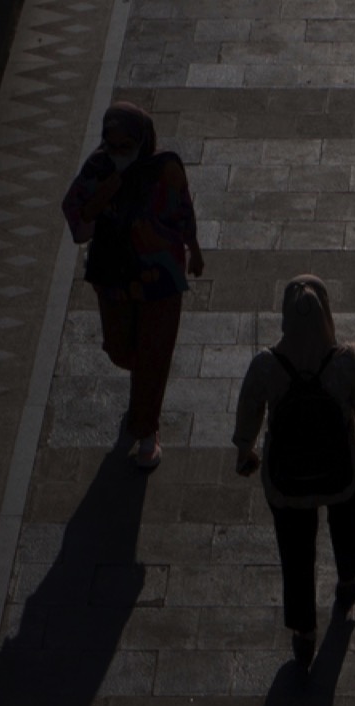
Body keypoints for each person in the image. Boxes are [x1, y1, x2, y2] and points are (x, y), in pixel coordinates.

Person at [233, 275, 355, 666]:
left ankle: (304, 631)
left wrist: (245, 451)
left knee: (295, 553)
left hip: (285, 482)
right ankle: (350, 575)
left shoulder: (266, 365)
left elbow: (248, 413)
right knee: (345, 525)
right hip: (339, 476)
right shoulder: (348, 360)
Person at [62, 101, 204, 469]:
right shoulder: (97, 170)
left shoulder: (164, 169)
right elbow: (77, 221)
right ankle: (142, 400)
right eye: (112, 145)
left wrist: (194, 249)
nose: (118, 153)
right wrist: (103, 197)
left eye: (126, 146)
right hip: (115, 279)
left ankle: (145, 429)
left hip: (162, 279)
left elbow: (182, 210)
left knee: (154, 355)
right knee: (122, 350)